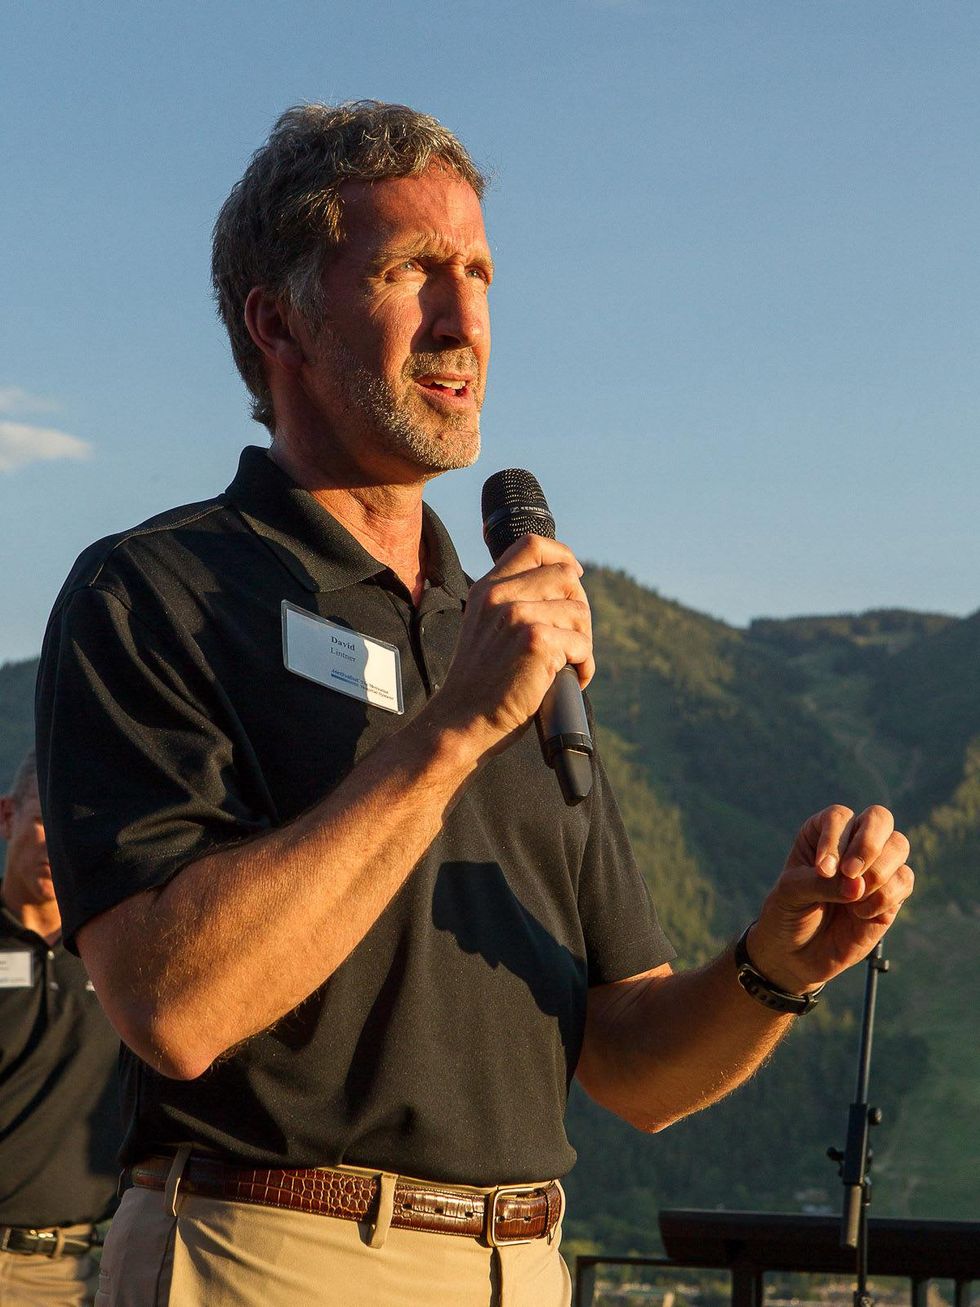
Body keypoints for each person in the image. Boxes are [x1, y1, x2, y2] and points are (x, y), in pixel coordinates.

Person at [35, 101, 914, 1307]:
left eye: (480, 273)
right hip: (269, 1254)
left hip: (521, 1266)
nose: (464, 320)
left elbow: (631, 1064)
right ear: (276, 320)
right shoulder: (158, 592)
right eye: (411, 270)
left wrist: (774, 962)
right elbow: (172, 1005)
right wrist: (450, 730)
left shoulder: (506, 634)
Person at [0, 750, 120, 1307]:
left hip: (73, 1275)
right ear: (7, 817)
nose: (59, 846)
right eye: (46, 822)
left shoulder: (122, 956)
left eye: (76, 828)